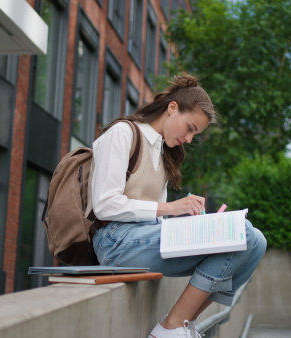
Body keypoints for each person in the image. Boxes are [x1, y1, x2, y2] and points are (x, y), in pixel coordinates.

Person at [89, 75, 267, 338]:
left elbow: (154, 221)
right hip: (115, 242)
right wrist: (172, 208)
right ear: (172, 108)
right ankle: (170, 328)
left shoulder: (162, 152)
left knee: (255, 241)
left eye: (195, 133)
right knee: (244, 232)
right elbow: (104, 205)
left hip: (142, 240)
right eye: (190, 128)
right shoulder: (122, 133)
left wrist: (195, 225)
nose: (190, 138)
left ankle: (182, 324)